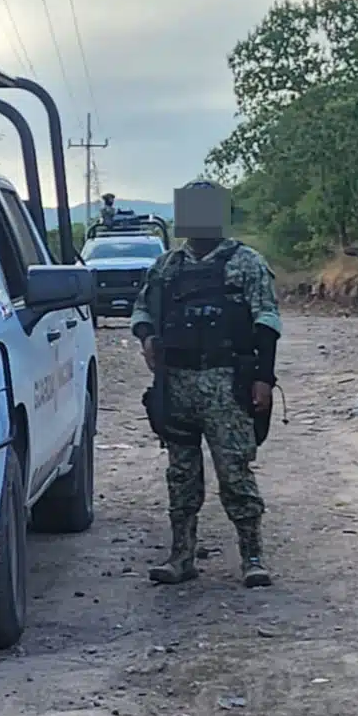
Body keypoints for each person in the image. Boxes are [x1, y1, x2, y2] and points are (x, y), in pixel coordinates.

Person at [130, 179, 280, 588]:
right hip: (176, 384)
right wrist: (147, 338)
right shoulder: (166, 267)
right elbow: (141, 309)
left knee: (235, 473)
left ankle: (252, 556)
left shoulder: (246, 263)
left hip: (226, 383)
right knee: (181, 474)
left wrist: (264, 378)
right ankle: (182, 556)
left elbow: (266, 320)